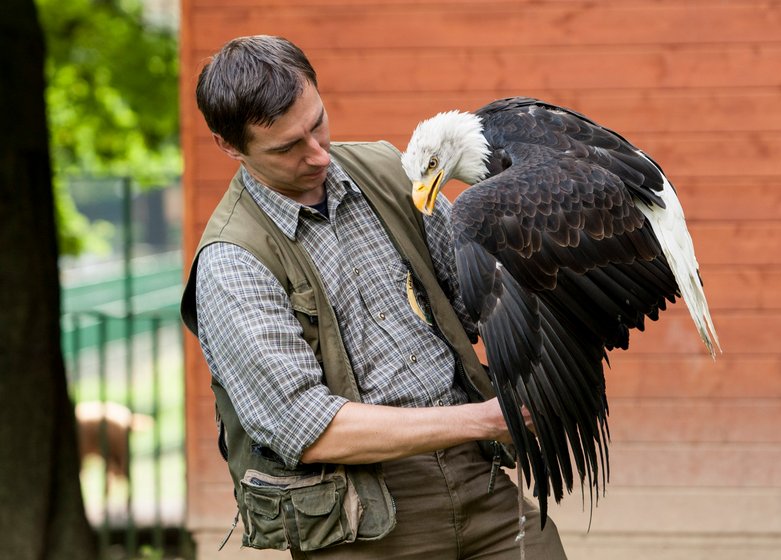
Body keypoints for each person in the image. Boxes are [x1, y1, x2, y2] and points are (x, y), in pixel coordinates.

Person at [181, 34, 566, 559]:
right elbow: (307, 428)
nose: (317, 154)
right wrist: (488, 419)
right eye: (287, 147)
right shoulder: (232, 261)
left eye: (317, 123)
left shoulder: (390, 172)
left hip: (481, 481)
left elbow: (481, 298)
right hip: (362, 518)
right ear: (230, 146)